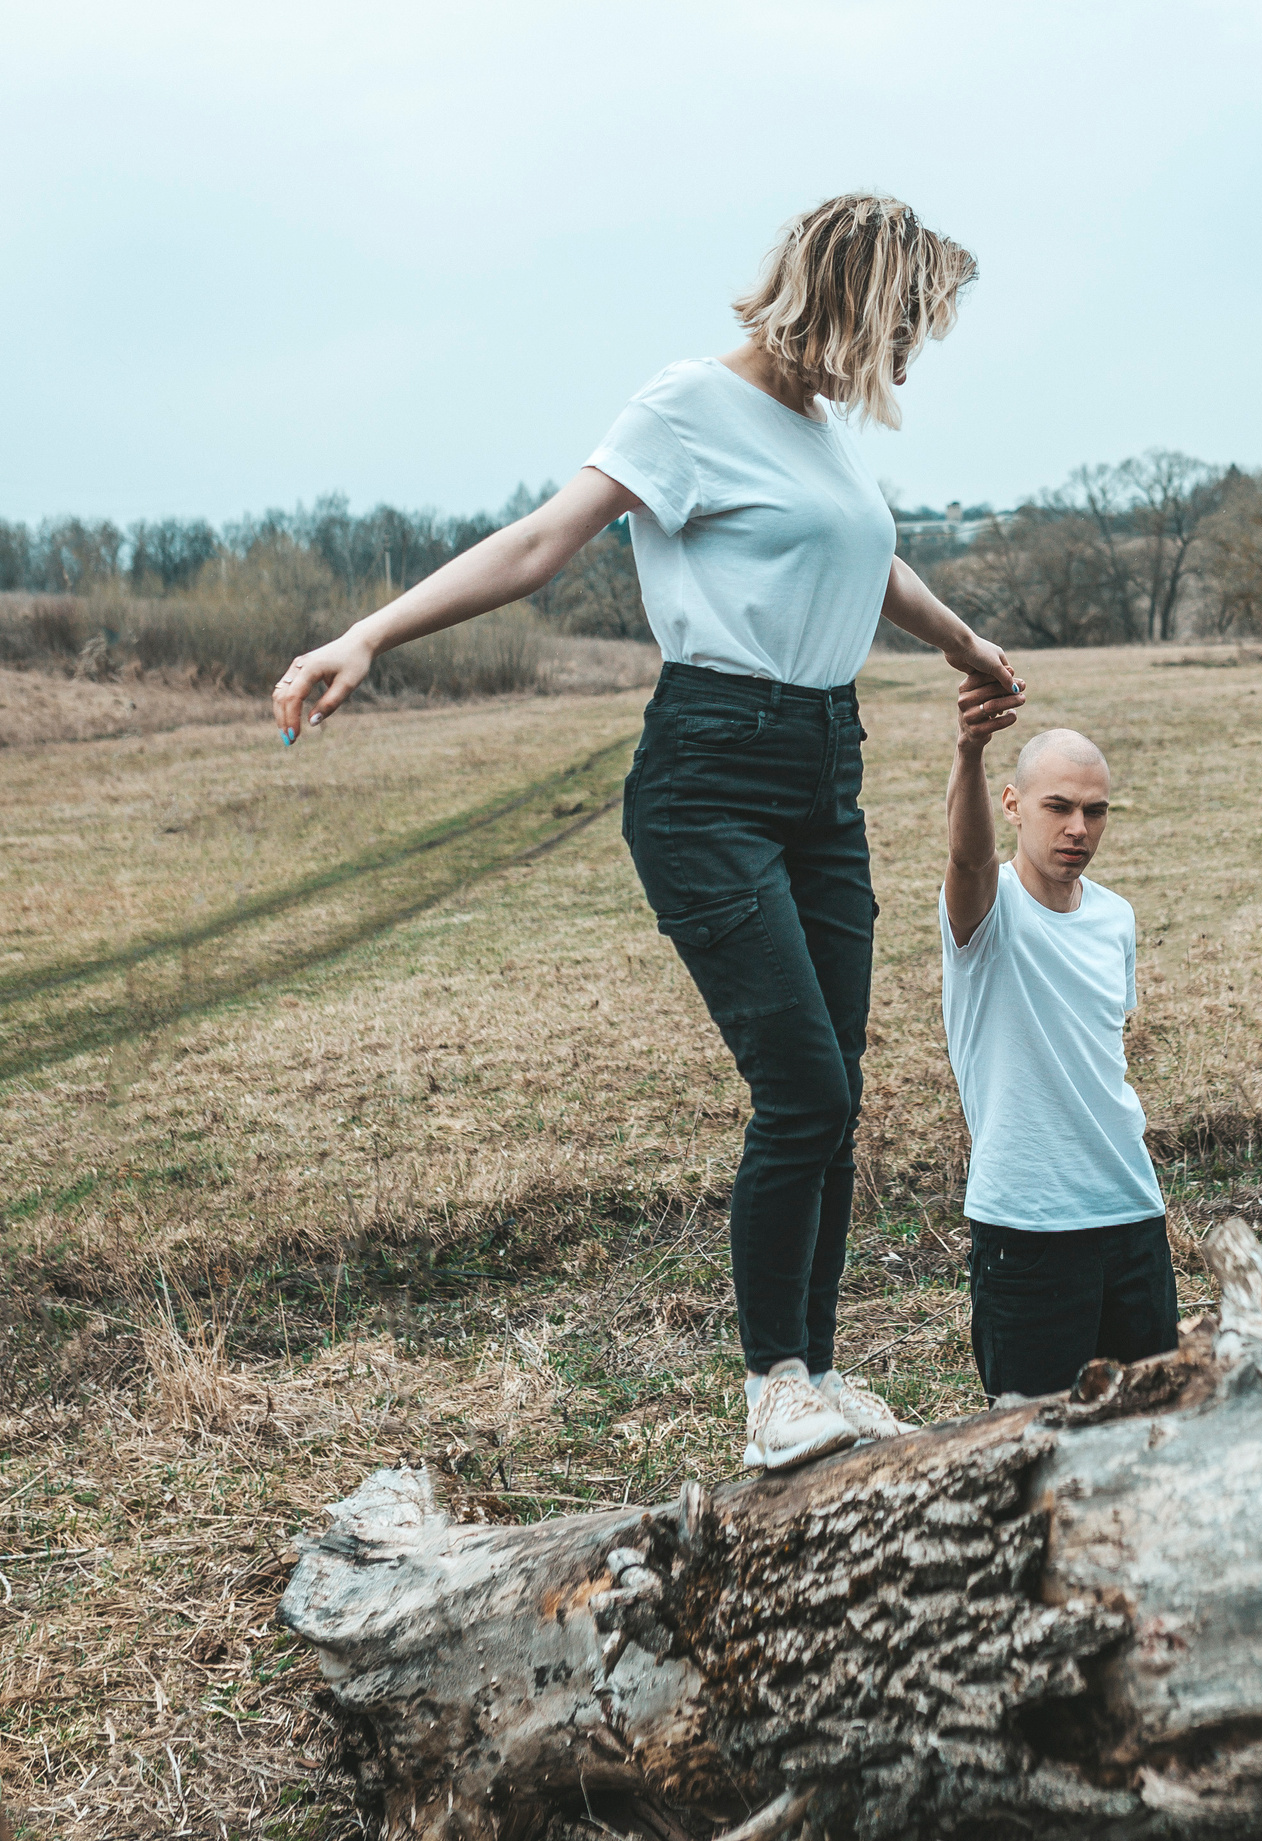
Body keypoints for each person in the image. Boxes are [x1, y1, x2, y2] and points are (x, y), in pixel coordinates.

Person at [270, 193, 1022, 1472]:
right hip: (708, 779)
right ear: (853, 295)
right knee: (803, 1084)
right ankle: (771, 1384)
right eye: (907, 322)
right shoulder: (687, 404)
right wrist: (368, 634)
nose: (911, 354)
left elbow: (863, 559)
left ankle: (818, 1374)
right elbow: (538, 543)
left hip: (821, 776)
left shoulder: (820, 433)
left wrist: (961, 640)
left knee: (834, 1093)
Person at [940, 693, 1178, 1397]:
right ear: (1012, 804)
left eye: (1095, 811)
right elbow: (968, 857)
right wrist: (969, 750)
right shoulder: (989, 911)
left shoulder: (1115, 917)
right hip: (1028, 1227)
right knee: (1035, 1447)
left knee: (1152, 1431)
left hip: (1132, 1211)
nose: (1079, 827)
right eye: (1058, 806)